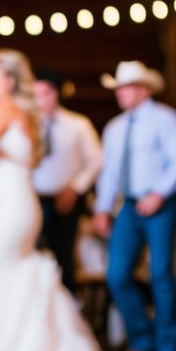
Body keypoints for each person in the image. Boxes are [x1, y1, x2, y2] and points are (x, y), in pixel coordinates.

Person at [0, 49, 123, 351]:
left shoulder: (6, 110)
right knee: (3, 271)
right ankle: (13, 347)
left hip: (10, 207)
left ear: (9, 81)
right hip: (14, 203)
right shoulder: (24, 113)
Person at [91, 60, 176, 351]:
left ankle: (168, 347)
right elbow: (109, 172)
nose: (120, 93)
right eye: (118, 88)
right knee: (117, 274)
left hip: (160, 203)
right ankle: (141, 340)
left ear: (144, 89)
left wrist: (159, 193)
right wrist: (102, 208)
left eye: (126, 87)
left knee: (161, 272)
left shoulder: (165, 119)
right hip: (130, 206)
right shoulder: (115, 127)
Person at [33, 67, 103, 294]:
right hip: (33, 199)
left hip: (65, 200)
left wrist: (75, 188)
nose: (40, 100)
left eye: (44, 94)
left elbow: (96, 160)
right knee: (31, 255)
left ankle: (67, 306)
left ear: (55, 94)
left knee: (64, 255)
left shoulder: (78, 125)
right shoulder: (28, 125)